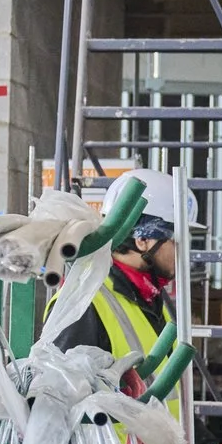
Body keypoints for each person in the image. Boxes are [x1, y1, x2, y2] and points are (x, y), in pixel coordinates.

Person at [54, 167, 191, 418]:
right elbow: (60, 407)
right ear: (144, 240)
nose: (184, 252)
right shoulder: (86, 302)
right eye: (177, 241)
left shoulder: (147, 295)